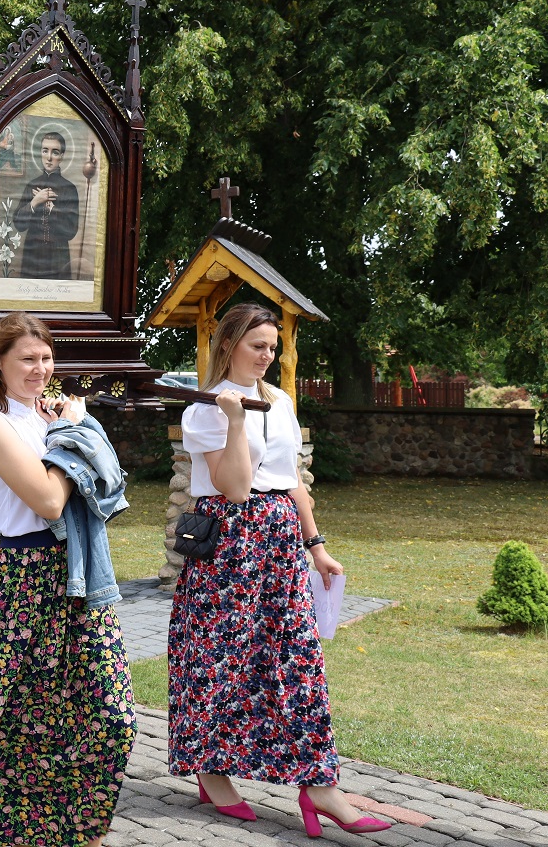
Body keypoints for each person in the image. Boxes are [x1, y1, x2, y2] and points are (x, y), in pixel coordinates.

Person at [168, 303, 392, 837]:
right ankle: (212, 770)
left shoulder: (282, 400)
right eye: (257, 345)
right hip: (229, 544)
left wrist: (316, 546)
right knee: (221, 662)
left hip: (279, 542)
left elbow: (292, 480)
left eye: (273, 346)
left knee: (297, 660)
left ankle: (320, 787)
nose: (268, 355)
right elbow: (237, 487)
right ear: (229, 345)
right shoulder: (205, 410)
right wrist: (235, 419)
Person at [0, 313, 135, 847]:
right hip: (26, 578)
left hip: (78, 574)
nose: (40, 368)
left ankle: (77, 832)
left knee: (108, 718)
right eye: (27, 358)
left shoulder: (49, 419)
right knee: (14, 727)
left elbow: (109, 486)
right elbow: (49, 500)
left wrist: (69, 427)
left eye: (46, 358)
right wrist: (75, 431)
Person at [11, 130, 81, 279]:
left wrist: (52, 209)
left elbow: (71, 231)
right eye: (45, 151)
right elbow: (19, 224)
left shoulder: (69, 188)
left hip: (58, 258)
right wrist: (35, 202)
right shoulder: (32, 185)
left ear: (61, 156)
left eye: (55, 152)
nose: (49, 158)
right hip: (32, 256)